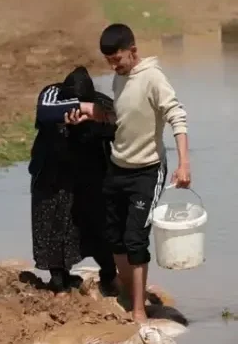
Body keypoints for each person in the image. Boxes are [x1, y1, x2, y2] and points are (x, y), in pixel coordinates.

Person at [67, 23, 190, 323]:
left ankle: (138, 310)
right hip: (117, 167)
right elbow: (119, 117)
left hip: (147, 171)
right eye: (109, 61)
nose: (114, 65)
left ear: (133, 51)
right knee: (115, 237)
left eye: (118, 59)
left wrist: (184, 164)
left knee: (135, 239)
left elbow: (177, 116)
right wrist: (89, 111)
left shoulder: (153, 78)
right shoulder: (119, 79)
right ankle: (127, 290)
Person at [29, 66, 118, 294]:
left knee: (99, 226)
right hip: (51, 174)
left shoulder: (101, 103)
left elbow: (121, 123)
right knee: (52, 226)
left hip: (91, 175)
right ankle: (59, 280)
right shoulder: (52, 94)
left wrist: (97, 119)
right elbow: (44, 111)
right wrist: (80, 108)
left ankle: (109, 276)